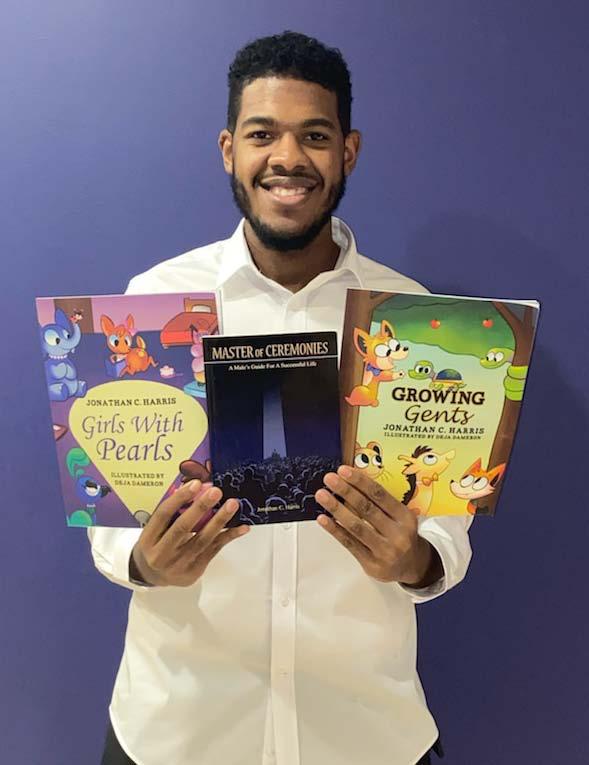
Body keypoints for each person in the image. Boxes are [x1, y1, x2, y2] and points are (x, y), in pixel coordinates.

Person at [92, 31, 472, 765]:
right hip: (178, 730)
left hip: (365, 735)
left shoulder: (410, 317)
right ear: (228, 149)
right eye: (263, 134)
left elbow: (447, 521)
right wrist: (144, 562)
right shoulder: (154, 303)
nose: (288, 158)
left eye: (315, 136)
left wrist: (415, 560)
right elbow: (112, 509)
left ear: (348, 151)